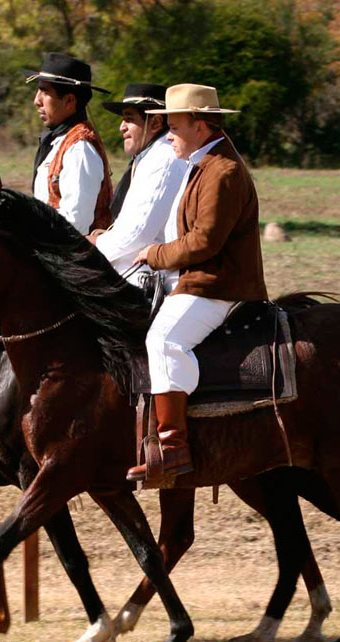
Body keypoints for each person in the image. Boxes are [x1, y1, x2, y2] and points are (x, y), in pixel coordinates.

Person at [126, 84, 267, 483]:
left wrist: (154, 255)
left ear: (200, 127)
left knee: (163, 341)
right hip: (195, 279)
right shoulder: (204, 163)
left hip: (217, 287)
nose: (168, 132)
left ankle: (172, 448)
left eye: (173, 124)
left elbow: (204, 242)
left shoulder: (223, 171)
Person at [89, 83, 187, 282]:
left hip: (156, 272)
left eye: (129, 119)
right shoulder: (151, 156)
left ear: (155, 123)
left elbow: (138, 233)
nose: (121, 127)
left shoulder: (163, 158)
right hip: (136, 260)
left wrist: (95, 245)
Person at [21, 52, 114, 235]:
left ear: (69, 101)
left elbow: (75, 223)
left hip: (73, 259)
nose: (36, 101)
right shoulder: (61, 141)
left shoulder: (80, 148)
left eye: (45, 92)